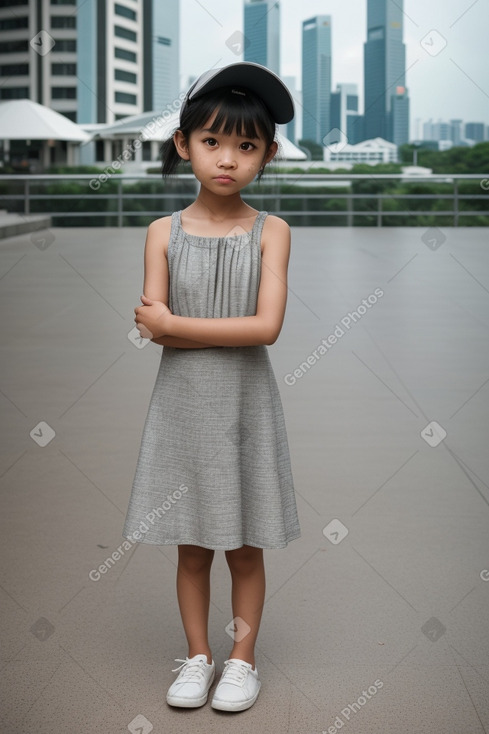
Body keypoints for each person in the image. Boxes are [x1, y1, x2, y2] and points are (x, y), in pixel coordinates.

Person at [123, 61, 301, 713]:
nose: (228, 158)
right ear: (183, 144)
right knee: (192, 545)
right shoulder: (161, 233)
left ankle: (242, 661)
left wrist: (173, 324)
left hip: (245, 408)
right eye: (212, 142)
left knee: (245, 547)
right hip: (183, 408)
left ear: (266, 154)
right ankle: (197, 656)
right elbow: (151, 330)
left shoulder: (271, 232)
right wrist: (171, 327)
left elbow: (268, 328)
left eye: (246, 146)